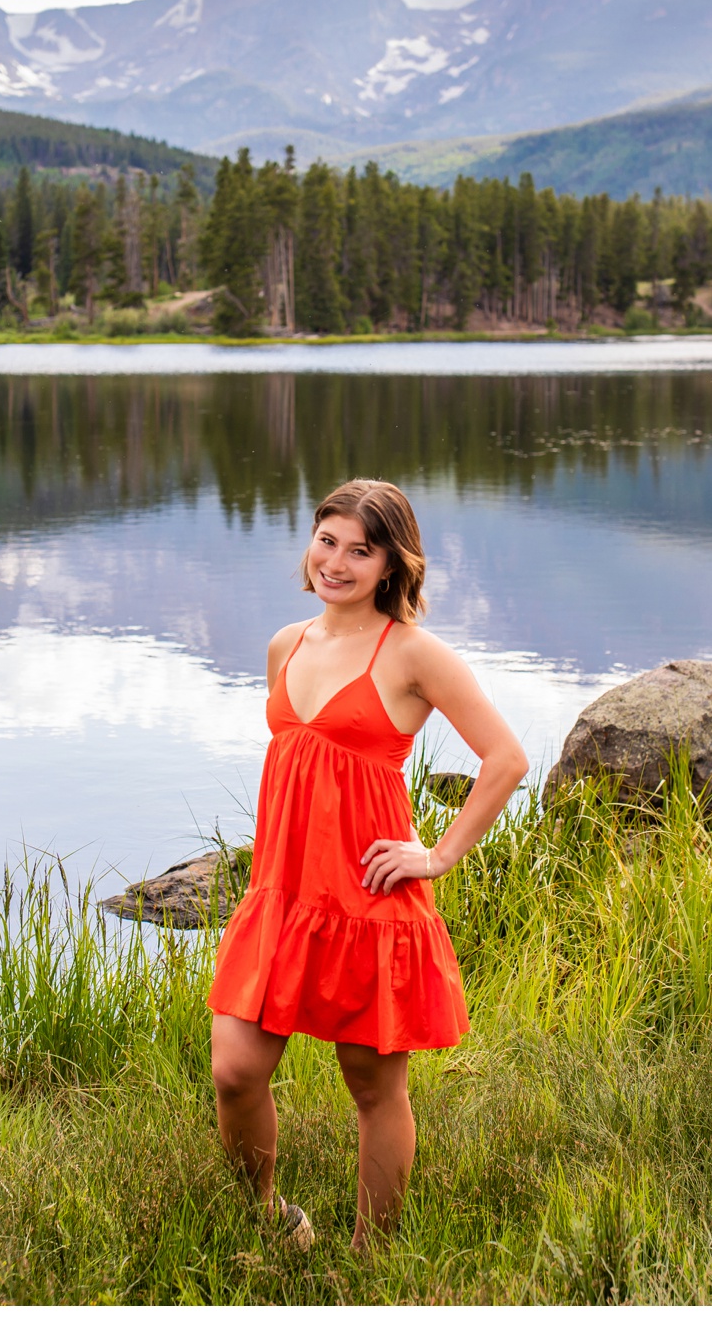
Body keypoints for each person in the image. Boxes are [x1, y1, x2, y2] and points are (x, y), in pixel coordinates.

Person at [207, 478, 529, 1253]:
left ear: (392, 564)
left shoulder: (413, 653)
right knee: (235, 1071)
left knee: (373, 1085)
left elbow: (506, 759)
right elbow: (302, 764)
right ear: (310, 542)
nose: (338, 563)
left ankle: (369, 1257)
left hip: (369, 898)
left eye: (361, 550)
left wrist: (437, 854)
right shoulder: (287, 644)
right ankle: (269, 1218)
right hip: (282, 895)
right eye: (328, 541)